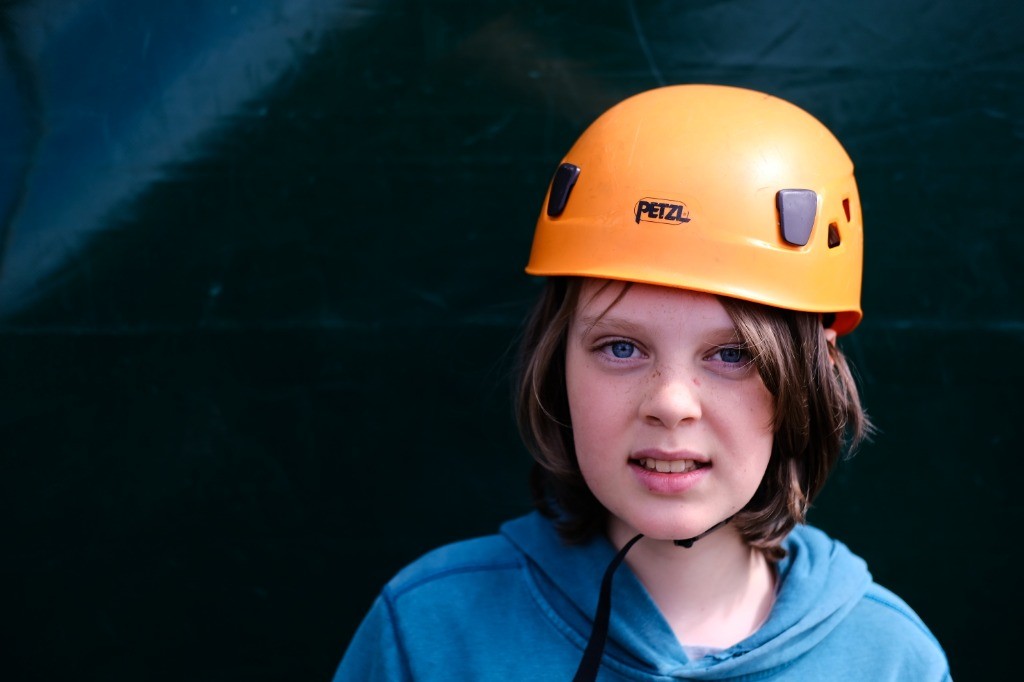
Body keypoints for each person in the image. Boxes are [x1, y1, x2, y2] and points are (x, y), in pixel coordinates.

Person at [332, 84, 951, 681]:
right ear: (557, 363)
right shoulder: (428, 630)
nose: (670, 403)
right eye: (621, 348)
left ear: (814, 377)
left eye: (733, 354)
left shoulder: (892, 662)